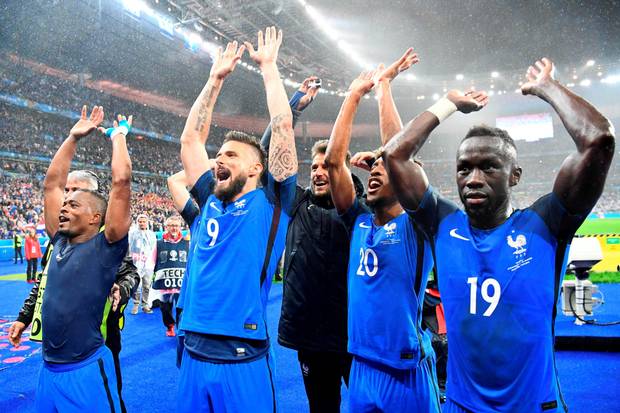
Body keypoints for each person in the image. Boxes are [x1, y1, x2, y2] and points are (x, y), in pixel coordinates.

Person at [383, 57, 615, 413]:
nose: (473, 179)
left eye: (488, 166)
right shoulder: (441, 224)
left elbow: (598, 140)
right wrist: (448, 104)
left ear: (515, 175)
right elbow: (395, 155)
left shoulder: (547, 223)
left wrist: (548, 88)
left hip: (534, 406)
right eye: (464, 168)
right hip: (461, 405)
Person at [176, 27, 298, 413]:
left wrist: (269, 69)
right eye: (220, 154)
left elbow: (281, 129)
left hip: (242, 354)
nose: (220, 159)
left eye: (231, 154)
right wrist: (214, 79)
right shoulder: (209, 201)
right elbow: (191, 141)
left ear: (258, 167)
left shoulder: (272, 203)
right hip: (193, 348)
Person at [325, 51, 440, 412]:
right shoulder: (358, 221)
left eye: (384, 169)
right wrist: (353, 95)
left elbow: (399, 153)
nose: (374, 171)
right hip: (360, 366)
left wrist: (384, 88)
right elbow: (332, 162)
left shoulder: (416, 225)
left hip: (406, 371)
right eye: (372, 167)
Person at [261, 76, 358, 412]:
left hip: (356, 334)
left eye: (327, 166)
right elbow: (266, 162)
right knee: (322, 407)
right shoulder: (297, 203)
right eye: (314, 166)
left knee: (369, 405)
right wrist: (293, 107)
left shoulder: (360, 212)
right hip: (312, 338)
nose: (318, 171)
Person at [10, 169, 139, 413]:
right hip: (60, 346)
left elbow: (131, 273)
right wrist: (24, 317)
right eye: (66, 190)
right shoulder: (61, 236)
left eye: (74, 191)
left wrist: (120, 290)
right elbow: (44, 280)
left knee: (107, 395)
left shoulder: (104, 237)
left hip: (98, 341)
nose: (67, 195)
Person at [32, 106, 132, 411]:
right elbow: (51, 185)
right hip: (48, 371)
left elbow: (122, 183)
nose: (64, 207)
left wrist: (118, 137)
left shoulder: (107, 245)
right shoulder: (58, 240)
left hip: (86, 370)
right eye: (65, 203)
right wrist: (73, 137)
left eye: (74, 205)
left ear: (95, 217)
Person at [149, 215, 189, 337]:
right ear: (166, 227)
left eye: (176, 225)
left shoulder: (187, 243)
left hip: (181, 283)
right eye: (171, 225)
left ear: (180, 227)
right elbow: (152, 261)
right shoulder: (158, 243)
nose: (174, 228)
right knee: (165, 308)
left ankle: (181, 328)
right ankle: (169, 326)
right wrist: (152, 277)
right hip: (163, 283)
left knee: (181, 307)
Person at [129, 213, 157, 314]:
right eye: (140, 221)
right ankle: (136, 304)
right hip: (137, 263)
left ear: (147, 222)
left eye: (143, 221)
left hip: (149, 264)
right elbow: (130, 248)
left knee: (146, 285)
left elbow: (154, 249)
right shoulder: (133, 234)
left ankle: (145, 305)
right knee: (136, 285)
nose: (142, 223)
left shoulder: (152, 234)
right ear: (137, 223)